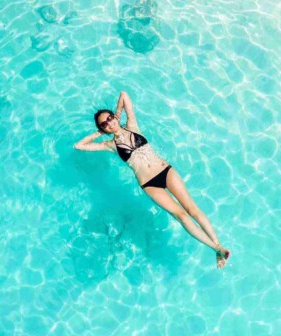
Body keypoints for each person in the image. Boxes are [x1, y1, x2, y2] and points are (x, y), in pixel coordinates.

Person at [74, 91, 231, 269]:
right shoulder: (110, 145)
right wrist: (98, 133)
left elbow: (124, 95)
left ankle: (219, 246)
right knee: (181, 216)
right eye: (105, 123)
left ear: (114, 117)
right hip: (149, 184)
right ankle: (217, 248)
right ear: (103, 128)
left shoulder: (132, 125)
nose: (109, 122)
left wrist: (118, 112)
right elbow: (79, 146)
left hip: (165, 171)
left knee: (192, 209)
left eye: (110, 118)